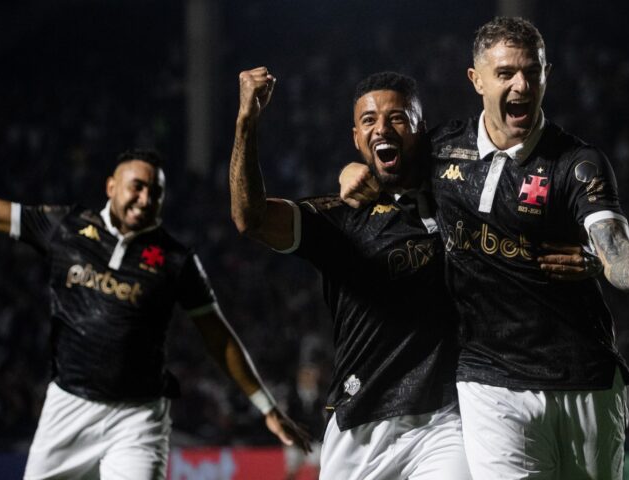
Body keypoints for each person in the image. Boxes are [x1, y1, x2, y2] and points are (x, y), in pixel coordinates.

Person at [340, 17, 629, 479]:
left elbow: (612, 244)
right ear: (476, 80)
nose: (521, 85)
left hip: (584, 376)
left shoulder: (577, 162)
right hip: (488, 381)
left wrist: (624, 265)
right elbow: (384, 162)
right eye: (506, 74)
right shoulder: (441, 150)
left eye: (531, 72)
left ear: (546, 75)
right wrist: (349, 172)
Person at [229, 68, 599, 479]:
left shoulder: (462, 199)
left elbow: (528, 214)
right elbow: (251, 219)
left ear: (423, 131)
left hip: (446, 421)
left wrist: (595, 255)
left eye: (398, 117)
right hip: (359, 426)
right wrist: (247, 121)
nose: (382, 127)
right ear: (356, 139)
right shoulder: (339, 217)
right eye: (369, 120)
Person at [0, 150, 310, 479]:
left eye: (155, 192)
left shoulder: (176, 261)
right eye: (136, 187)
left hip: (137, 419)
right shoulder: (64, 227)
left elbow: (218, 337)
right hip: (68, 407)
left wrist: (267, 407)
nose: (145, 198)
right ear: (111, 187)